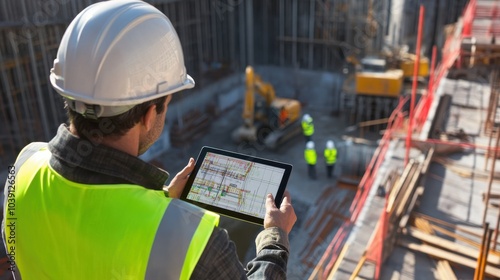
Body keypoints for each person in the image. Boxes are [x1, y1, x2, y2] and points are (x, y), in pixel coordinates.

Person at [1, 1, 296, 279]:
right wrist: (275, 238)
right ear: (148, 115)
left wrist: (164, 200)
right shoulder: (192, 240)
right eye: (167, 102)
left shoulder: (23, 168)